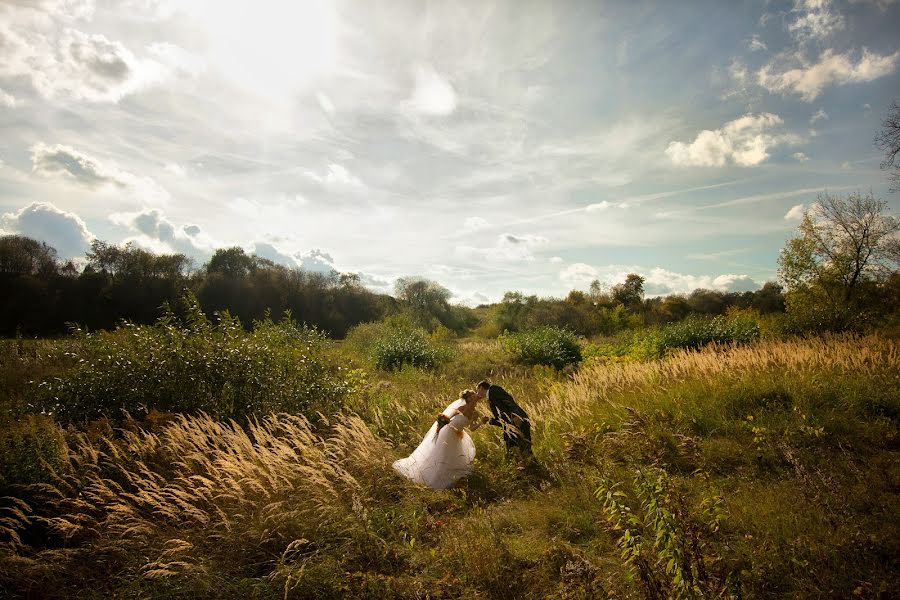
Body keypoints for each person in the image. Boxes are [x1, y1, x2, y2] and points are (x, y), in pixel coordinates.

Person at [392, 389, 484, 489]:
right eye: (474, 395)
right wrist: (440, 426)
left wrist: (481, 422)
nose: (476, 396)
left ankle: (449, 476)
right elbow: (446, 417)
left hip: (458, 435)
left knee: (451, 456)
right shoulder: (462, 407)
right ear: (469, 398)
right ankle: (432, 475)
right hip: (447, 432)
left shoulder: (475, 414)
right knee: (442, 454)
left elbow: (472, 428)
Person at [474, 379, 532, 454]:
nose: (477, 393)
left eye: (477, 390)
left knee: (523, 446)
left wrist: (516, 416)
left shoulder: (493, 390)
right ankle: (526, 463)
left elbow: (509, 401)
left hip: (518, 421)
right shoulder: (490, 395)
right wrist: (490, 420)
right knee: (515, 449)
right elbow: (500, 416)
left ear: (481, 388)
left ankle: (529, 463)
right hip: (510, 424)